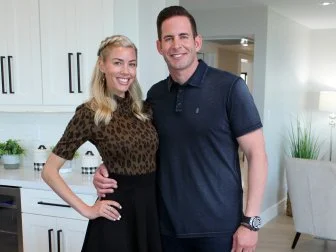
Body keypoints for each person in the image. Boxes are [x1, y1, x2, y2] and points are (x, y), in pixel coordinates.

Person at [94, 6, 268, 252]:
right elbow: (140, 146)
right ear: (159, 47)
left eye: (183, 36)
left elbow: (257, 155)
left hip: (219, 230)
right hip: (165, 229)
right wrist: (108, 168)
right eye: (169, 38)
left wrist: (251, 223)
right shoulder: (155, 95)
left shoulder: (230, 88)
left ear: (197, 42)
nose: (177, 45)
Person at [41, 35, 162, 252]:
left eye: (131, 64)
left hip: (149, 211)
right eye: (117, 62)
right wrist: (87, 210)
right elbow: (49, 171)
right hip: (116, 213)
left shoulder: (144, 109)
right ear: (102, 65)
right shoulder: (90, 113)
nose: (126, 71)